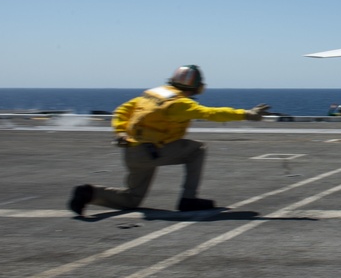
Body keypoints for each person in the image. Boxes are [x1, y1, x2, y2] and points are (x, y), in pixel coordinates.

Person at [68, 65, 270, 216]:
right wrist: (247, 114)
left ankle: (89, 193)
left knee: (131, 199)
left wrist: (120, 132)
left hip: (131, 150)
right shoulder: (179, 104)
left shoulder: (154, 93)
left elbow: (122, 110)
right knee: (197, 149)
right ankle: (188, 199)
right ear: (197, 86)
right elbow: (210, 113)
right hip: (153, 151)